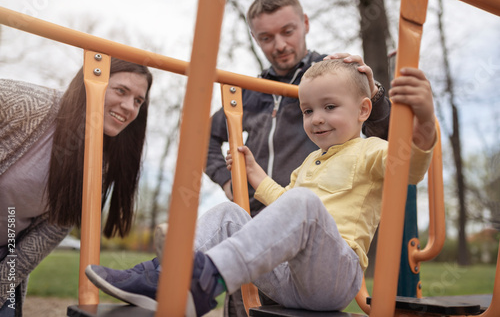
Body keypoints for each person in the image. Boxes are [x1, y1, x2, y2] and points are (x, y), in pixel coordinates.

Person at [84, 59, 437, 317]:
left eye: (329, 107)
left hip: (334, 278)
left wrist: (423, 123)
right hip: (289, 277)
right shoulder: (311, 162)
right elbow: (287, 206)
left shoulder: (371, 150)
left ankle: (202, 282)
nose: (316, 118)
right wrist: (254, 174)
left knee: (303, 203)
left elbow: (409, 169)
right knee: (228, 214)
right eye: (307, 110)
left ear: (363, 110)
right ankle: (163, 276)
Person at [205, 0, 392, 218]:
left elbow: (388, 136)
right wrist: (227, 183)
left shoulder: (331, 78)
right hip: (253, 214)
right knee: (219, 221)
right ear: (255, 38)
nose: (280, 45)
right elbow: (203, 137)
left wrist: (374, 94)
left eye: (288, 31)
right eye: (266, 37)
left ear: (305, 23)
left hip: (314, 215)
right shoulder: (250, 92)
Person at [0, 58, 153, 316]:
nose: (129, 107)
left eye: (138, 101)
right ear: (90, 83)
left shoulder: (98, 163)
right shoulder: (26, 103)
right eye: (121, 91)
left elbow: (47, 234)